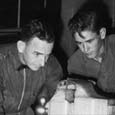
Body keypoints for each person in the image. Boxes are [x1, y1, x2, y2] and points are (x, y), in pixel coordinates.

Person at [0, 18, 63, 115]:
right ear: (21, 46)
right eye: (37, 54)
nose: (43, 63)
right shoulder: (2, 62)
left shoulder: (51, 64)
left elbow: (55, 97)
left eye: (47, 55)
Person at [67, 5, 115, 94]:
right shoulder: (75, 63)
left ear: (102, 33)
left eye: (89, 41)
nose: (85, 49)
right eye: (79, 43)